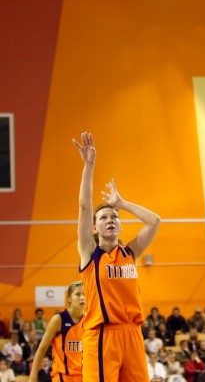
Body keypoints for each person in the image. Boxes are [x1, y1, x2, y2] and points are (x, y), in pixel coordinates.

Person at [73, 131, 161, 382]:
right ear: (94, 227)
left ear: (120, 226)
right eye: (103, 218)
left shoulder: (130, 252)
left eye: (114, 217)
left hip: (132, 333)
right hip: (103, 335)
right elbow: (84, 206)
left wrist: (121, 203)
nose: (110, 220)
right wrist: (89, 165)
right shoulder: (90, 253)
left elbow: (154, 220)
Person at [28, 280, 86, 382]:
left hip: (85, 376)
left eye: (84, 294)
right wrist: (32, 377)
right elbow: (42, 348)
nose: (82, 297)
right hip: (62, 377)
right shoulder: (58, 319)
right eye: (78, 294)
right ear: (69, 298)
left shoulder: (90, 319)